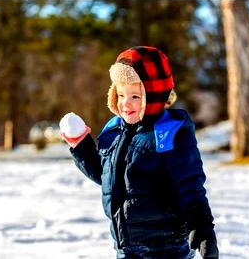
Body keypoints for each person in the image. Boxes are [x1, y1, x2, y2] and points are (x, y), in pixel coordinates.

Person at [60, 46, 219, 259]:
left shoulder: (170, 132)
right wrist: (81, 146)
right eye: (121, 94)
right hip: (125, 245)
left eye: (135, 96)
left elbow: (188, 184)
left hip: (166, 247)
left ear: (154, 96)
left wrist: (202, 228)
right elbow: (106, 175)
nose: (126, 103)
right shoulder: (114, 130)